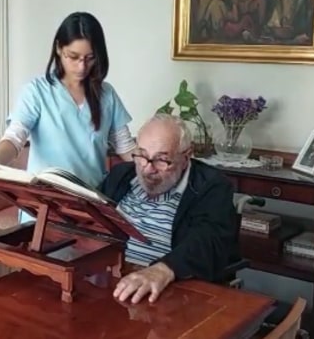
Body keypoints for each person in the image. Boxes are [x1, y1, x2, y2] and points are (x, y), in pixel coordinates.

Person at [0, 11, 136, 212]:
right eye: (73, 57)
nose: (81, 66)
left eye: (90, 58)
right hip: (43, 207)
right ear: (59, 48)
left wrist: (154, 166)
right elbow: (14, 139)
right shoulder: (37, 92)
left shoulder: (107, 95)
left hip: (91, 207)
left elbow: (125, 147)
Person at [99, 113, 239, 304]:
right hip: (111, 277)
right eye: (142, 155)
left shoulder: (211, 186)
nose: (148, 169)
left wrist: (162, 269)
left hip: (169, 289)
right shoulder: (120, 176)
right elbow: (95, 219)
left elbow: (209, 240)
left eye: (161, 160)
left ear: (186, 156)